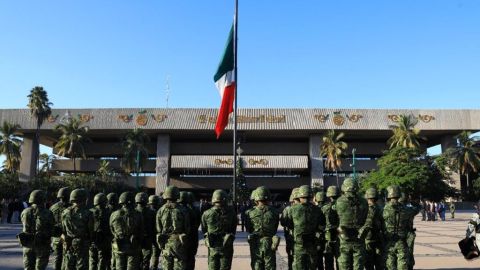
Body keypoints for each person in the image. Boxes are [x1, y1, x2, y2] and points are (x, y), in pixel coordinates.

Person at [288, 185, 325, 270]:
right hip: (312, 243)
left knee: (298, 266)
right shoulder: (317, 209)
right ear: (311, 196)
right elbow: (322, 225)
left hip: (298, 244)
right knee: (312, 266)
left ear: (299, 196)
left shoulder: (292, 209)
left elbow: (287, 223)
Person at [335, 178, 368, 270]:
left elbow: (334, 220)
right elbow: (367, 218)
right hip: (359, 238)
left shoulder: (339, 201)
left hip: (343, 238)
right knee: (358, 266)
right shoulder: (364, 201)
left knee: (344, 266)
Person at [245, 186, 280, 270]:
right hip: (270, 242)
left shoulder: (249, 213)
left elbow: (249, 229)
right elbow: (275, 228)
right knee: (270, 265)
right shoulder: (275, 212)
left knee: (257, 265)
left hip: (255, 243)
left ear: (256, 199)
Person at [201, 189, 237, 270]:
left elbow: (204, 229)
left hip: (212, 245)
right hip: (226, 245)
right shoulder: (231, 213)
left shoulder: (206, 213)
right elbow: (233, 228)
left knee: (212, 266)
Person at [19, 190, 54, 270]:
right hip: (42, 245)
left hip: (28, 244)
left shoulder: (25, 211)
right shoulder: (47, 213)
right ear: (43, 199)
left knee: (28, 267)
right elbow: (51, 227)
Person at [157, 186, 190, 270]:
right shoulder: (183, 210)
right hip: (178, 242)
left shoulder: (160, 210)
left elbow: (158, 228)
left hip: (165, 242)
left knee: (166, 266)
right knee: (179, 266)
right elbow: (187, 228)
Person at [61, 188, 94, 270]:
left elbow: (63, 229)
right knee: (81, 265)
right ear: (83, 199)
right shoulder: (88, 213)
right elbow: (91, 231)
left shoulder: (65, 212)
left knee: (68, 264)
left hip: (68, 242)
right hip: (82, 243)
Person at [110, 191, 143, 270]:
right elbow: (141, 229)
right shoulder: (138, 214)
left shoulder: (113, 214)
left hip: (118, 246)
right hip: (133, 247)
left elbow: (111, 229)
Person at [383, 185, 410, 270]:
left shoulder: (384, 209)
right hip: (401, 240)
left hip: (388, 240)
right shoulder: (405, 209)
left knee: (390, 262)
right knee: (403, 262)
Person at [363, 188, 385, 270]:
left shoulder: (364, 209)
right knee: (379, 262)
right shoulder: (381, 208)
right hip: (379, 238)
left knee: (368, 263)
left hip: (367, 239)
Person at [49, 187, 70, 270]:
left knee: (57, 257)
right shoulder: (71, 207)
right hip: (67, 236)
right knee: (67, 257)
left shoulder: (53, 207)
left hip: (56, 237)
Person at [89, 193, 112, 270]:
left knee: (92, 260)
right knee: (102, 260)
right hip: (104, 241)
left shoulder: (89, 212)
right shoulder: (108, 212)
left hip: (92, 240)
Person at [135, 192, 156, 270]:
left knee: (137, 258)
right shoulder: (152, 212)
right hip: (147, 238)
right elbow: (155, 227)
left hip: (136, 239)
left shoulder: (133, 211)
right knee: (146, 259)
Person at [322, 186, 340, 270]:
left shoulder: (325, 208)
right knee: (340, 260)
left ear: (329, 196)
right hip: (341, 236)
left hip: (327, 237)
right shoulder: (344, 206)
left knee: (329, 261)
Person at [280, 188, 298, 270]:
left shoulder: (288, 209)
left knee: (291, 258)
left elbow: (283, 223)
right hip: (307, 241)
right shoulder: (312, 208)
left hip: (291, 238)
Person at [147, 195, 162, 270]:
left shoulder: (145, 211)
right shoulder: (160, 211)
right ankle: (153, 267)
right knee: (155, 254)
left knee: (146, 255)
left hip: (147, 236)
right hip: (156, 236)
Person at [313, 191, 327, 270]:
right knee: (329, 259)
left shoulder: (315, 209)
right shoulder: (330, 207)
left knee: (318, 257)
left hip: (318, 236)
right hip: (330, 236)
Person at [106, 192, 119, 270]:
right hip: (115, 237)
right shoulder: (118, 211)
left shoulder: (105, 210)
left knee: (107, 256)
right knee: (114, 255)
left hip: (106, 237)